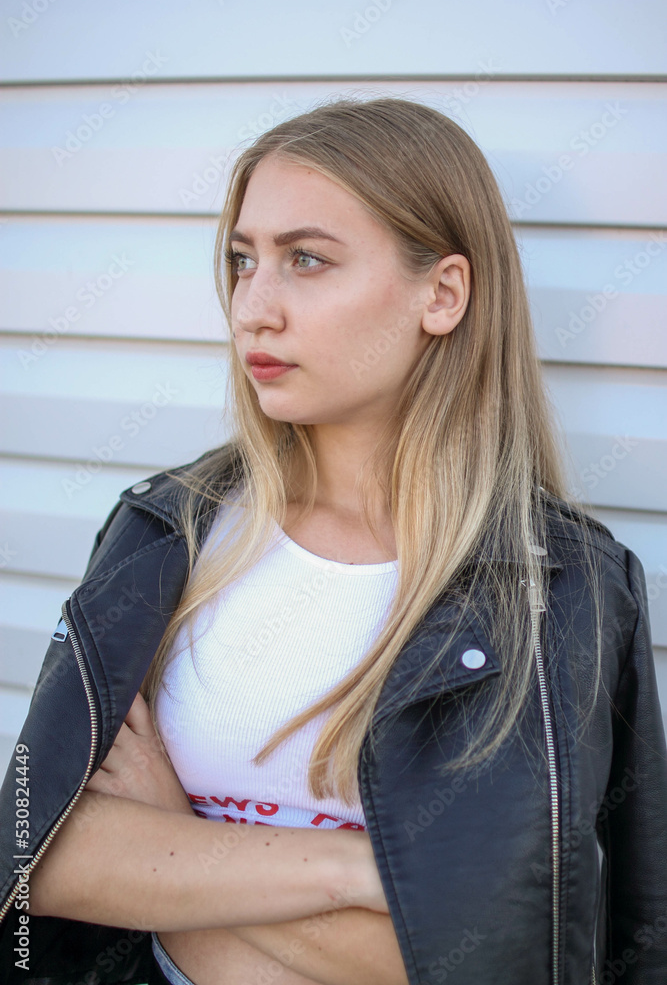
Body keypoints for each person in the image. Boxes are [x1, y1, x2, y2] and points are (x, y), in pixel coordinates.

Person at [0, 96, 666, 985]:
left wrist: (177, 850)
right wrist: (359, 870)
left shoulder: (563, 588)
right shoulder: (165, 533)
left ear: (442, 294)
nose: (252, 309)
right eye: (242, 260)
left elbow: (501, 955)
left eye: (306, 259)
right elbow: (42, 860)